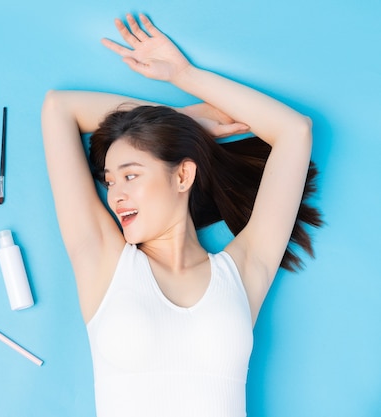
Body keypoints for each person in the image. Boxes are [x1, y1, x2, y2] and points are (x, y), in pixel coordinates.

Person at [41, 13, 322, 417]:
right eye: (110, 182)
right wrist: (181, 120)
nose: (116, 194)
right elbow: (58, 108)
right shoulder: (103, 261)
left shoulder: (243, 271)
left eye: (130, 175)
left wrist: (183, 74)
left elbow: (294, 131)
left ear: (183, 175)